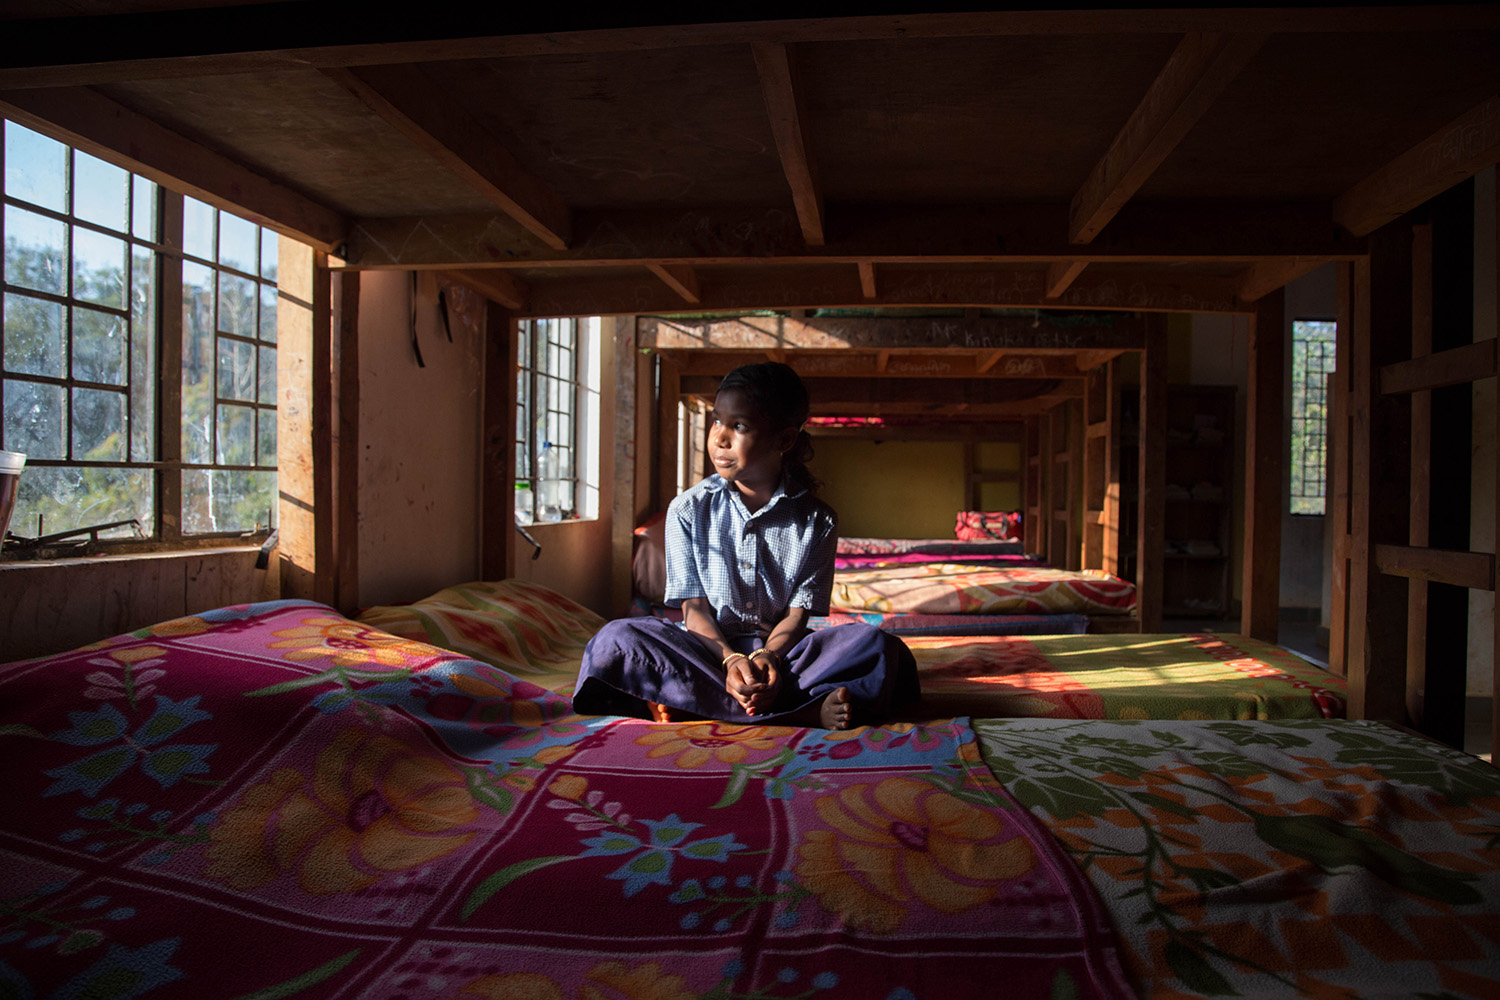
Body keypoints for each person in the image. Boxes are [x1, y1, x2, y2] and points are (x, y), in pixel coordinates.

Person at [572, 362, 919, 729]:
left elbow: (797, 617)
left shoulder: (818, 521)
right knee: (615, 640)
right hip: (709, 651)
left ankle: (696, 702)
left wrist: (769, 655)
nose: (720, 438)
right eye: (716, 421)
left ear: (784, 440)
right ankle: (802, 711)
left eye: (739, 426)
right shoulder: (687, 510)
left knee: (876, 647)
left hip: (784, 658)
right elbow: (694, 610)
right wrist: (731, 660)